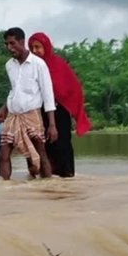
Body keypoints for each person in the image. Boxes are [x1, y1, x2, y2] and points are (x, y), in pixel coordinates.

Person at [0, 27, 55, 180]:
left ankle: (48, 186)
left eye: (12, 43)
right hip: (13, 116)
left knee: (40, 154)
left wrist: (52, 125)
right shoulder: (9, 65)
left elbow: (48, 95)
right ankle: (3, 187)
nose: (9, 48)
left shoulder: (38, 64)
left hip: (32, 115)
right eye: (7, 44)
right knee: (3, 154)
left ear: (22, 42)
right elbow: (14, 90)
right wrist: (4, 108)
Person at [27, 32, 91, 178]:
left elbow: (72, 88)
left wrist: (54, 122)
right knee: (39, 148)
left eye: (38, 47)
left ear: (46, 47)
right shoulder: (29, 67)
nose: (35, 51)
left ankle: (67, 178)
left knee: (61, 146)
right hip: (36, 113)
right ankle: (44, 178)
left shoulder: (58, 65)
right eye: (32, 48)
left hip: (59, 113)